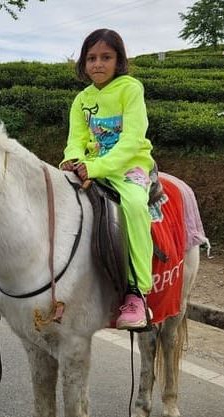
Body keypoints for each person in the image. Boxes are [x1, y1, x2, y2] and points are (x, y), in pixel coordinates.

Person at [60, 29, 154, 330]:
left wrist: (98, 167)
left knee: (135, 205)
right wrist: (72, 159)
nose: (97, 64)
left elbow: (132, 140)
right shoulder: (82, 99)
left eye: (105, 57)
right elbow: (76, 139)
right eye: (91, 58)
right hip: (91, 165)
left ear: (118, 61)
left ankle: (137, 292)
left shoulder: (130, 89)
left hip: (129, 166)